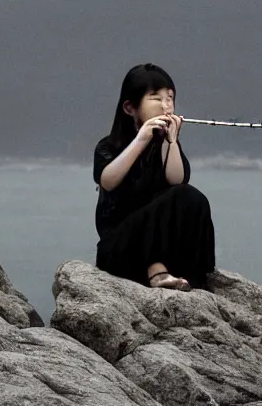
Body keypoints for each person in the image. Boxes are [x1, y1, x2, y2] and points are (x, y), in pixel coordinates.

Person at [92, 63, 216, 291]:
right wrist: (141, 139)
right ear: (130, 108)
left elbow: (177, 180)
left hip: (161, 246)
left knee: (192, 197)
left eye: (170, 98)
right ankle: (155, 271)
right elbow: (108, 180)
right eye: (156, 98)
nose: (166, 105)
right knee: (176, 198)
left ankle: (191, 275)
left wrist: (171, 141)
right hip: (120, 247)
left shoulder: (165, 146)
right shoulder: (108, 146)